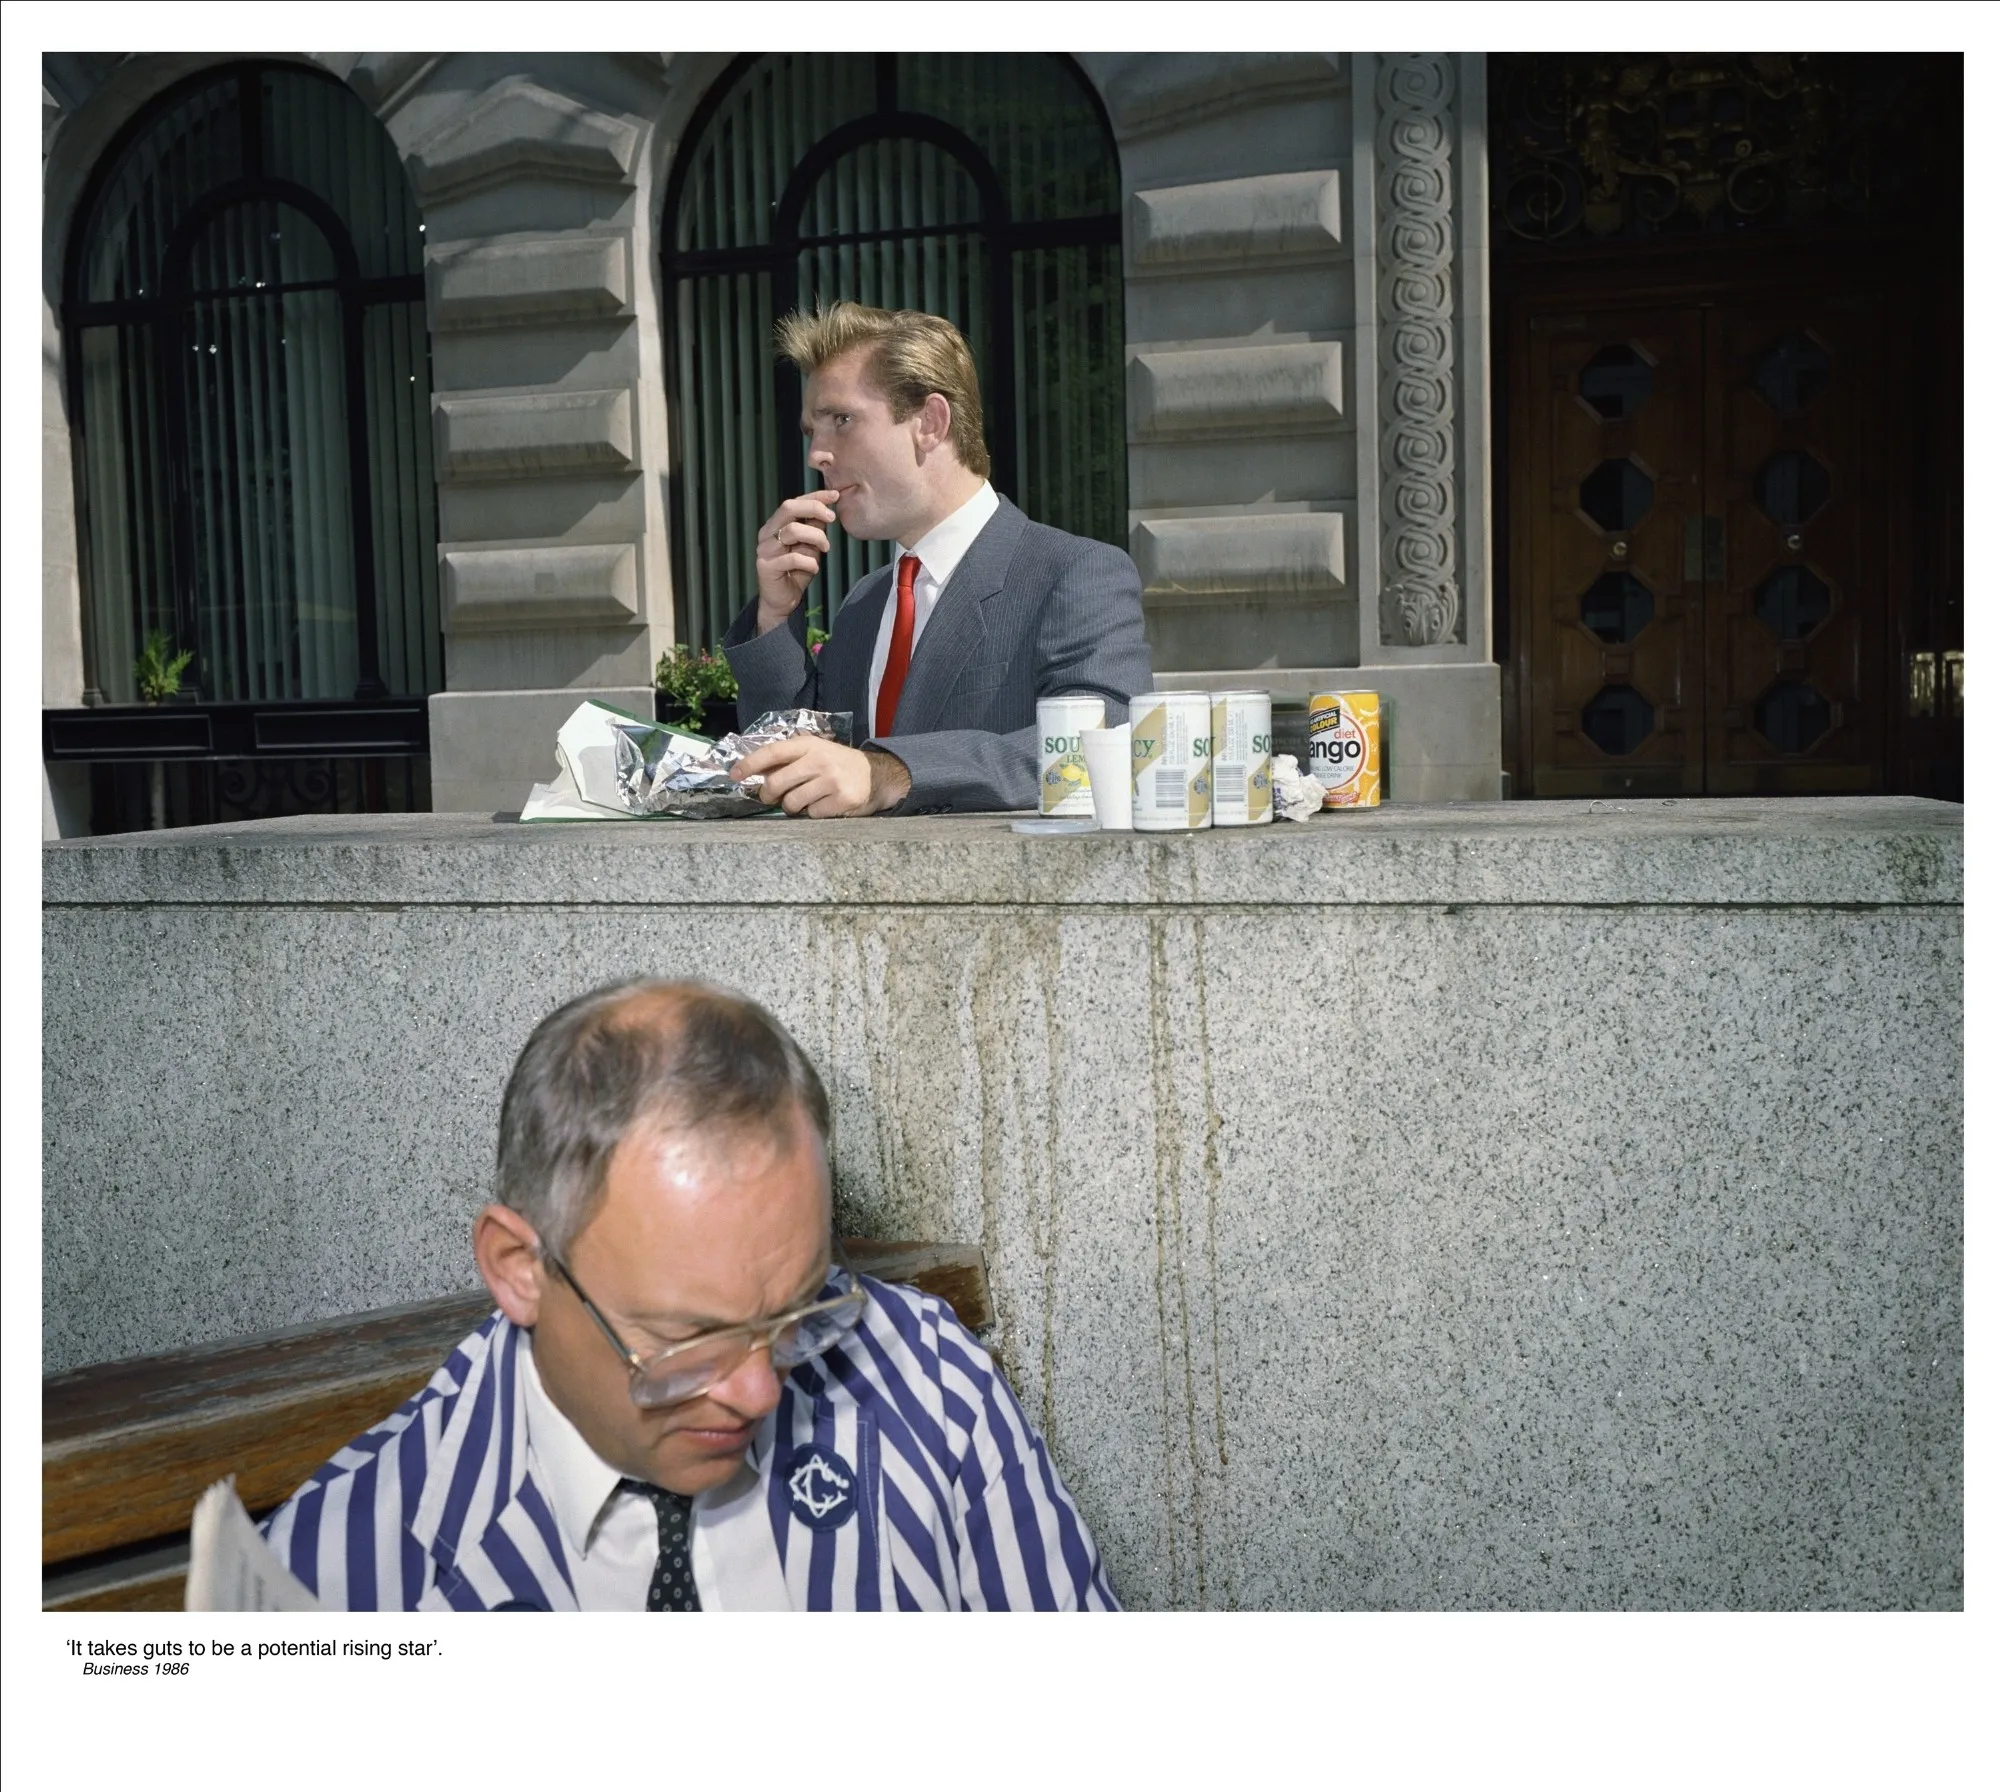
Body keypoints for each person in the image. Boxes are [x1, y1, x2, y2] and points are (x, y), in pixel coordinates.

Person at [261, 979, 1118, 1611]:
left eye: (797, 1315)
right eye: (687, 1339)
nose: (759, 1390)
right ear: (520, 1267)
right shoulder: (335, 1574)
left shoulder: (930, 1383)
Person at [722, 302, 1151, 816]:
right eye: (812, 431)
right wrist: (774, 617)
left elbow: (1106, 741)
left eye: (842, 419)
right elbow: (794, 770)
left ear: (930, 422)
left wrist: (889, 773)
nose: (817, 454)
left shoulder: (1074, 572)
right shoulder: (865, 602)